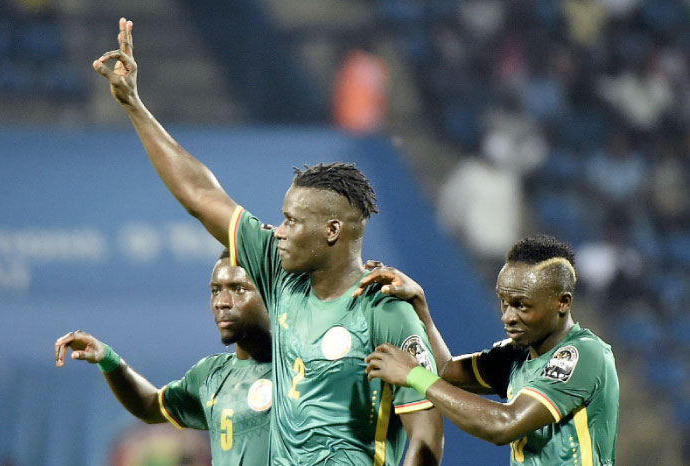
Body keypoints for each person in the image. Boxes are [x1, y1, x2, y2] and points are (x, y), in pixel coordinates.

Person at [92, 17, 443, 466]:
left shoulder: (385, 311)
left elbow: (426, 439)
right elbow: (202, 196)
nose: (279, 230)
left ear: (332, 231)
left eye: (293, 221)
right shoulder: (281, 280)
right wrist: (134, 105)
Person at [358, 234, 619, 465]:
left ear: (562, 302)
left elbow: (504, 425)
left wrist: (414, 375)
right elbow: (444, 370)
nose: (507, 316)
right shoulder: (517, 354)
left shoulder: (583, 354)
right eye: (503, 302)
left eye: (521, 305)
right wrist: (419, 305)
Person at [55, 250, 273, 466]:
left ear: (271, 294)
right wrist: (108, 358)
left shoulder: (298, 367)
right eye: (216, 290)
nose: (222, 302)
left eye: (238, 289)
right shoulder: (211, 375)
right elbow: (150, 406)